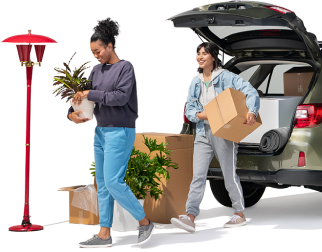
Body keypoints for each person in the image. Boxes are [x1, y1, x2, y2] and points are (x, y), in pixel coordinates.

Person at [68, 18, 154, 248]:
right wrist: (71, 113)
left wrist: (90, 94)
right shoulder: (96, 71)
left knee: (115, 182)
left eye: (98, 51)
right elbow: (82, 95)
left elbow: (120, 97)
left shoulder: (125, 67)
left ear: (109, 46)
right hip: (101, 133)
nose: (96, 56)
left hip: (121, 131)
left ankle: (144, 221)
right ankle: (104, 234)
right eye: (93, 53)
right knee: (104, 185)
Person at [170, 42, 260, 232]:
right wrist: (207, 115)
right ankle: (190, 216)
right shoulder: (196, 81)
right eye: (198, 53)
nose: (200, 56)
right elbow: (190, 109)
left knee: (229, 175)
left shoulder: (226, 77)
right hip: (203, 132)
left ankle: (239, 213)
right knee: (198, 176)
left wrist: (252, 110)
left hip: (224, 133)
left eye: (205, 53)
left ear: (213, 56)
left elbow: (250, 91)